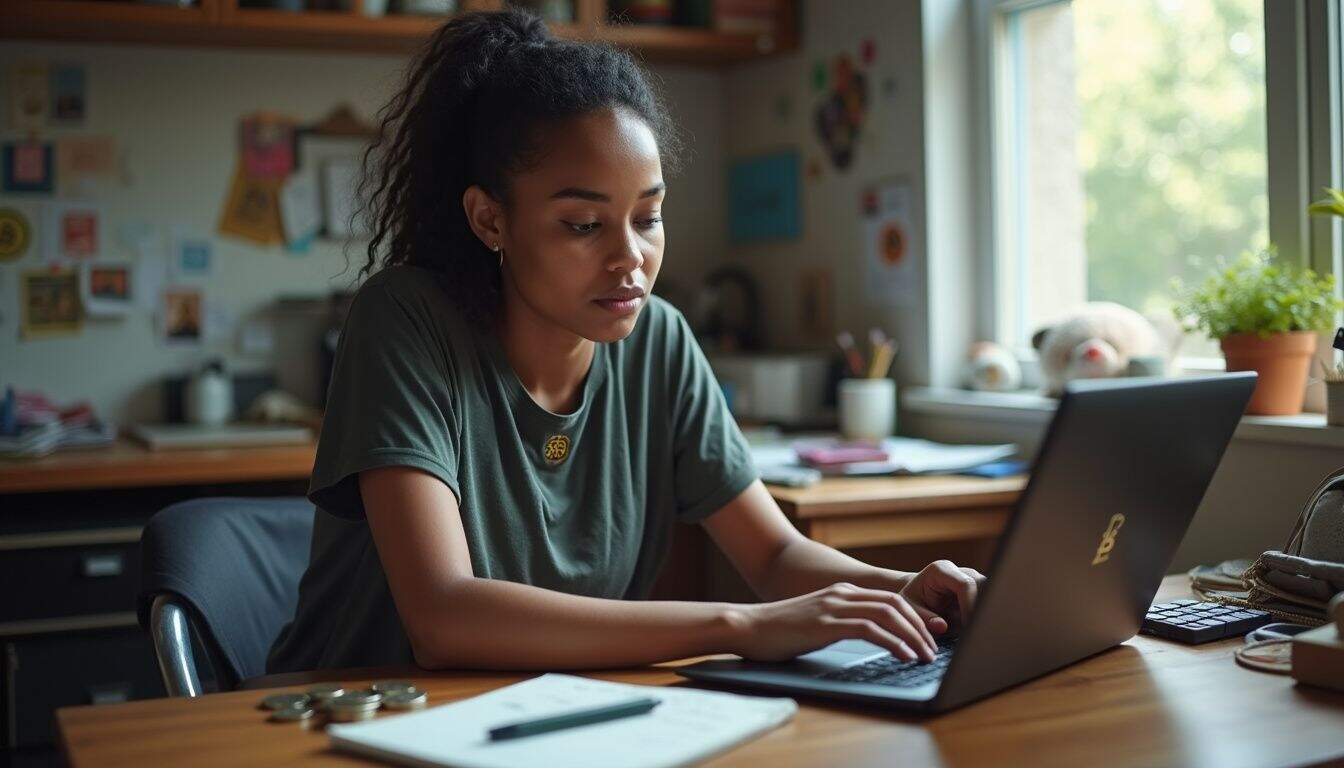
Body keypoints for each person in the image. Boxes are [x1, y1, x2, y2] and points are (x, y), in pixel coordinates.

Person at [267, 9, 984, 675]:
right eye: (584, 225)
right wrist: (739, 626)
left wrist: (907, 588)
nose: (630, 259)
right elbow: (444, 616)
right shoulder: (405, 321)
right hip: (352, 719)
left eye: (648, 218)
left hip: (551, 716)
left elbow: (773, 554)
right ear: (490, 220)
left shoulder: (660, 341)